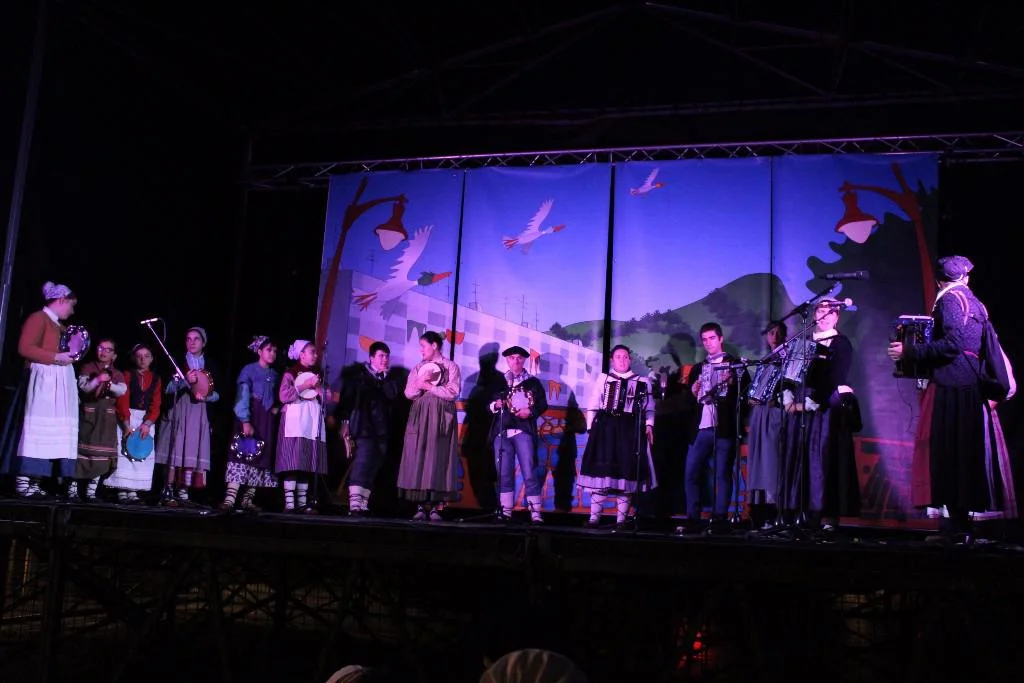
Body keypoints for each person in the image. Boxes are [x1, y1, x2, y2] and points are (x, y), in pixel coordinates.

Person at [888, 255, 1013, 539]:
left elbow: (953, 344)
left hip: (952, 387)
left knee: (947, 456)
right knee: (963, 457)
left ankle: (957, 528)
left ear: (938, 281)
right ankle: (960, 526)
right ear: (965, 277)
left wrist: (910, 352)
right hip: (969, 388)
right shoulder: (976, 303)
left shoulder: (949, 300)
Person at [781, 299, 861, 532]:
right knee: (799, 456)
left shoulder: (840, 343)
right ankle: (799, 513)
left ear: (837, 317)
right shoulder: (803, 340)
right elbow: (790, 372)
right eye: (821, 311)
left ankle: (825, 514)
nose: (825, 316)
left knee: (823, 459)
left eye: (830, 312)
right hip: (800, 406)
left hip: (824, 407)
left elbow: (836, 375)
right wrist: (787, 393)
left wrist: (812, 401)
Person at [0, 281, 79, 498]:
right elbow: (24, 348)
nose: (72, 311)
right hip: (40, 382)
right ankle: (23, 480)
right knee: (34, 431)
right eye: (71, 305)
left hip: (57, 384)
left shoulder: (59, 326)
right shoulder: (38, 318)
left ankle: (36, 480)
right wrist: (55, 357)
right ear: (61, 300)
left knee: (50, 434)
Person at [578, 344, 656, 529]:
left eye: (625, 357)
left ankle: (621, 521)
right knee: (602, 471)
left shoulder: (643, 381)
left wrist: (649, 425)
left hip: (630, 430)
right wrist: (590, 429)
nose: (622, 360)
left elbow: (650, 407)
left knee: (625, 472)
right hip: (605, 430)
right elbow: (594, 403)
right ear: (612, 360)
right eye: (618, 357)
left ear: (630, 359)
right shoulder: (604, 378)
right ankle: (594, 519)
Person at [682, 322, 749, 532]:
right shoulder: (698, 368)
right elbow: (690, 402)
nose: (708, 343)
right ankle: (693, 518)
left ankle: (720, 519)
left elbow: (746, 394)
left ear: (720, 339)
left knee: (722, 474)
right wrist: (693, 392)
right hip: (701, 427)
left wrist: (733, 384)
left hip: (724, 426)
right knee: (691, 473)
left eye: (712, 338)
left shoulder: (735, 365)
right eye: (704, 340)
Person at [396, 331, 461, 521]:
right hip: (420, 414)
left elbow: (453, 391)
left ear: (434, 346)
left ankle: (434, 507)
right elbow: (409, 393)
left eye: (423, 346)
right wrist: (419, 384)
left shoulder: (450, 366)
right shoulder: (418, 368)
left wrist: (430, 387)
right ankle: (419, 505)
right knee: (418, 455)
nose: (421, 350)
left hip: (441, 415)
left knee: (437, 456)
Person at [155, 326, 219, 507]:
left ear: (203, 343)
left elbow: (218, 394)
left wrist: (205, 397)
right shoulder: (177, 361)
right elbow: (167, 389)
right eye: (188, 339)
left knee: (190, 450)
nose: (192, 342)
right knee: (175, 449)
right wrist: (185, 382)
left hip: (198, 412)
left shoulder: (210, 365)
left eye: (196, 339)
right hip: (179, 409)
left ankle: (183, 491)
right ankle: (168, 489)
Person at [337, 340, 403, 516]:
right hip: (364, 427)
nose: (384, 359)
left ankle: (363, 502)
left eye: (387, 356)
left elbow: (392, 397)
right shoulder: (359, 376)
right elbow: (348, 400)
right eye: (381, 356)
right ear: (371, 357)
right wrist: (345, 422)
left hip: (383, 430)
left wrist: (385, 378)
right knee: (362, 462)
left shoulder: (389, 379)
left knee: (374, 465)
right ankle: (354, 503)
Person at [486, 345, 548, 523]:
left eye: (519, 358)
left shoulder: (533, 382)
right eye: (512, 358)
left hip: (523, 430)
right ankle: (505, 511)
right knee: (503, 473)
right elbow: (488, 404)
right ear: (507, 360)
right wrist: (496, 405)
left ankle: (535, 512)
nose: (516, 361)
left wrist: (531, 411)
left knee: (529, 471)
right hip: (502, 431)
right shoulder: (499, 381)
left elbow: (542, 404)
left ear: (524, 360)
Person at [221, 335, 280, 513]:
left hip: (265, 421)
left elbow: (277, 396)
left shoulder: (275, 374)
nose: (272, 353)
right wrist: (245, 420)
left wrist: (275, 408)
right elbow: (243, 394)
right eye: (269, 350)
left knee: (259, 457)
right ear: (259, 351)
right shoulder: (249, 370)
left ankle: (247, 499)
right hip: (251, 416)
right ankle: (230, 499)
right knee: (242, 453)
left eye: (275, 351)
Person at [276, 339, 329, 514]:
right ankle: (290, 503)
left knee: (306, 460)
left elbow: (327, 397)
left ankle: (302, 503)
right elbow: (284, 395)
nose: (315, 355)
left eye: (316, 352)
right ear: (302, 355)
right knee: (293, 459)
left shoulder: (318, 374)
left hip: (311, 420)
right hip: (295, 419)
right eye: (312, 352)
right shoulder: (291, 373)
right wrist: (305, 385)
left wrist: (319, 388)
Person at [72, 338, 127, 501]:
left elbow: (122, 390)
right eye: (101, 348)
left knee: (101, 457)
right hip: (90, 415)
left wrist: (109, 385)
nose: (103, 352)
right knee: (82, 454)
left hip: (106, 419)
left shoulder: (117, 373)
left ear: (114, 355)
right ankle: (72, 489)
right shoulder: (88, 367)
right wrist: (97, 380)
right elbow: (83, 387)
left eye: (108, 350)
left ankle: (91, 491)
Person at [746, 320, 788, 526]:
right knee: (757, 462)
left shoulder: (788, 358)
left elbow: (789, 386)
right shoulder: (765, 359)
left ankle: (775, 512)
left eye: (778, 333)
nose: (774, 337)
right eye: (771, 333)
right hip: (759, 414)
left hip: (775, 414)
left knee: (772, 463)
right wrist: (752, 397)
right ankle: (758, 512)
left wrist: (775, 399)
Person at [110, 344, 162, 504]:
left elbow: (156, 404)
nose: (143, 359)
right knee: (125, 453)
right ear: (133, 358)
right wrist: (126, 424)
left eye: (146, 356)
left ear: (151, 359)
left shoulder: (156, 378)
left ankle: (133, 491)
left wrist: (147, 424)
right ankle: (121, 490)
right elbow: (122, 400)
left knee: (139, 453)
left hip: (145, 421)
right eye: (139, 356)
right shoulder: (127, 375)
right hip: (128, 418)